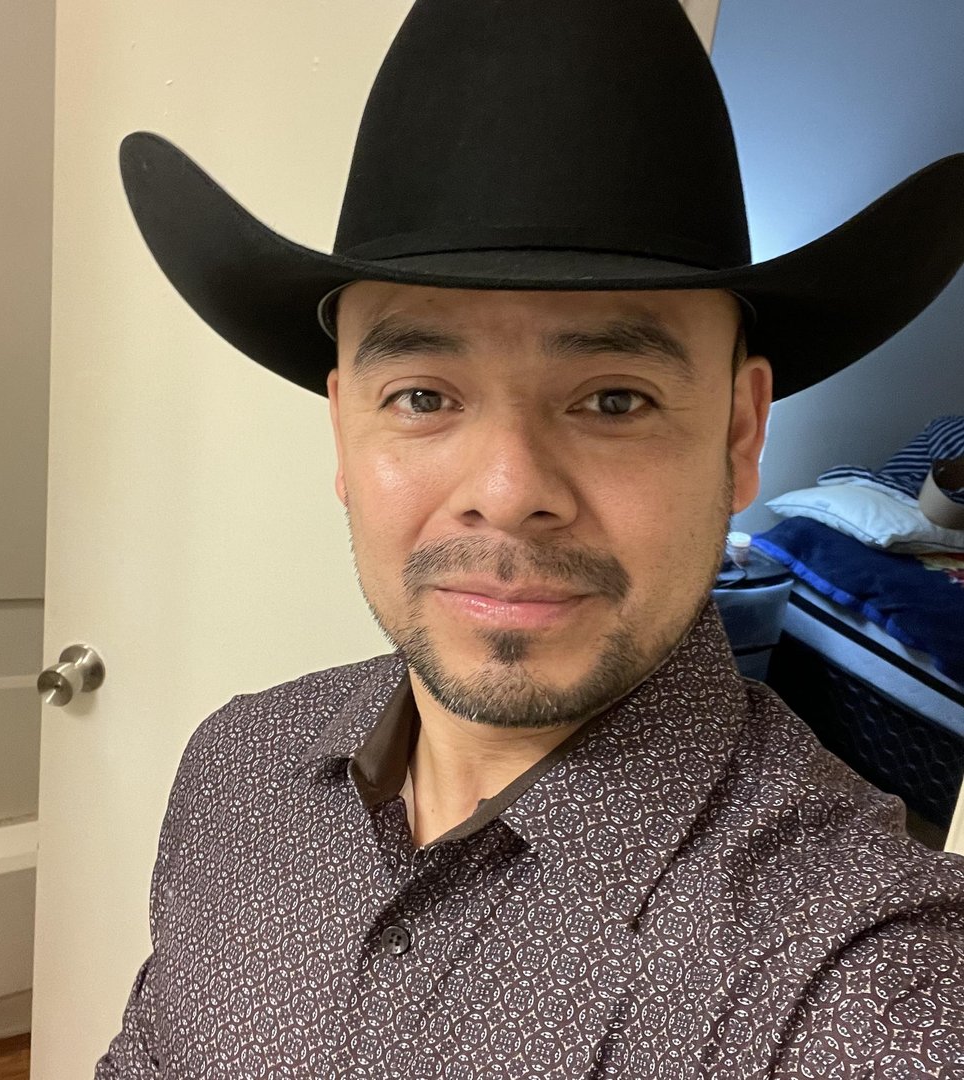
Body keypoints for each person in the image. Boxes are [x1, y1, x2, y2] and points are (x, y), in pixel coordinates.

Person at [101, 1, 964, 1076]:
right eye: (422, 395)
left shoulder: (874, 984)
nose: (507, 495)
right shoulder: (235, 768)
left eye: (614, 400)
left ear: (739, 434)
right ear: (343, 429)